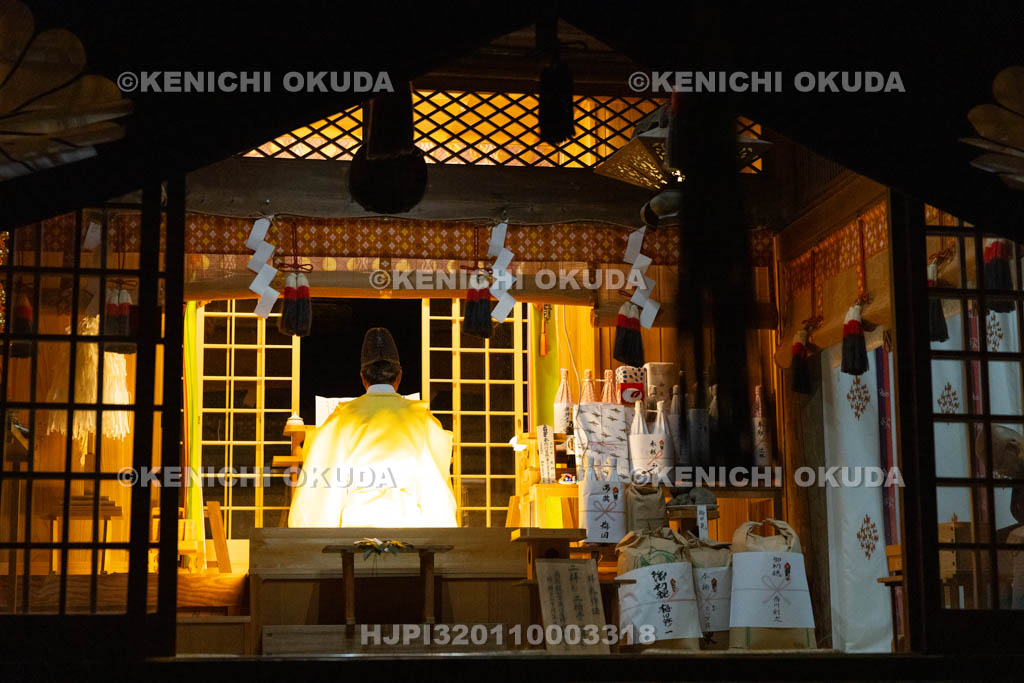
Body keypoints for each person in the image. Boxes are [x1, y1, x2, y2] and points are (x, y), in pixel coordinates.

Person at [288, 327, 457, 527]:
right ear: (399, 376)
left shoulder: (343, 417)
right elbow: (435, 485)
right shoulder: (421, 417)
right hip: (408, 525)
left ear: (362, 377)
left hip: (358, 526)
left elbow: (321, 489)